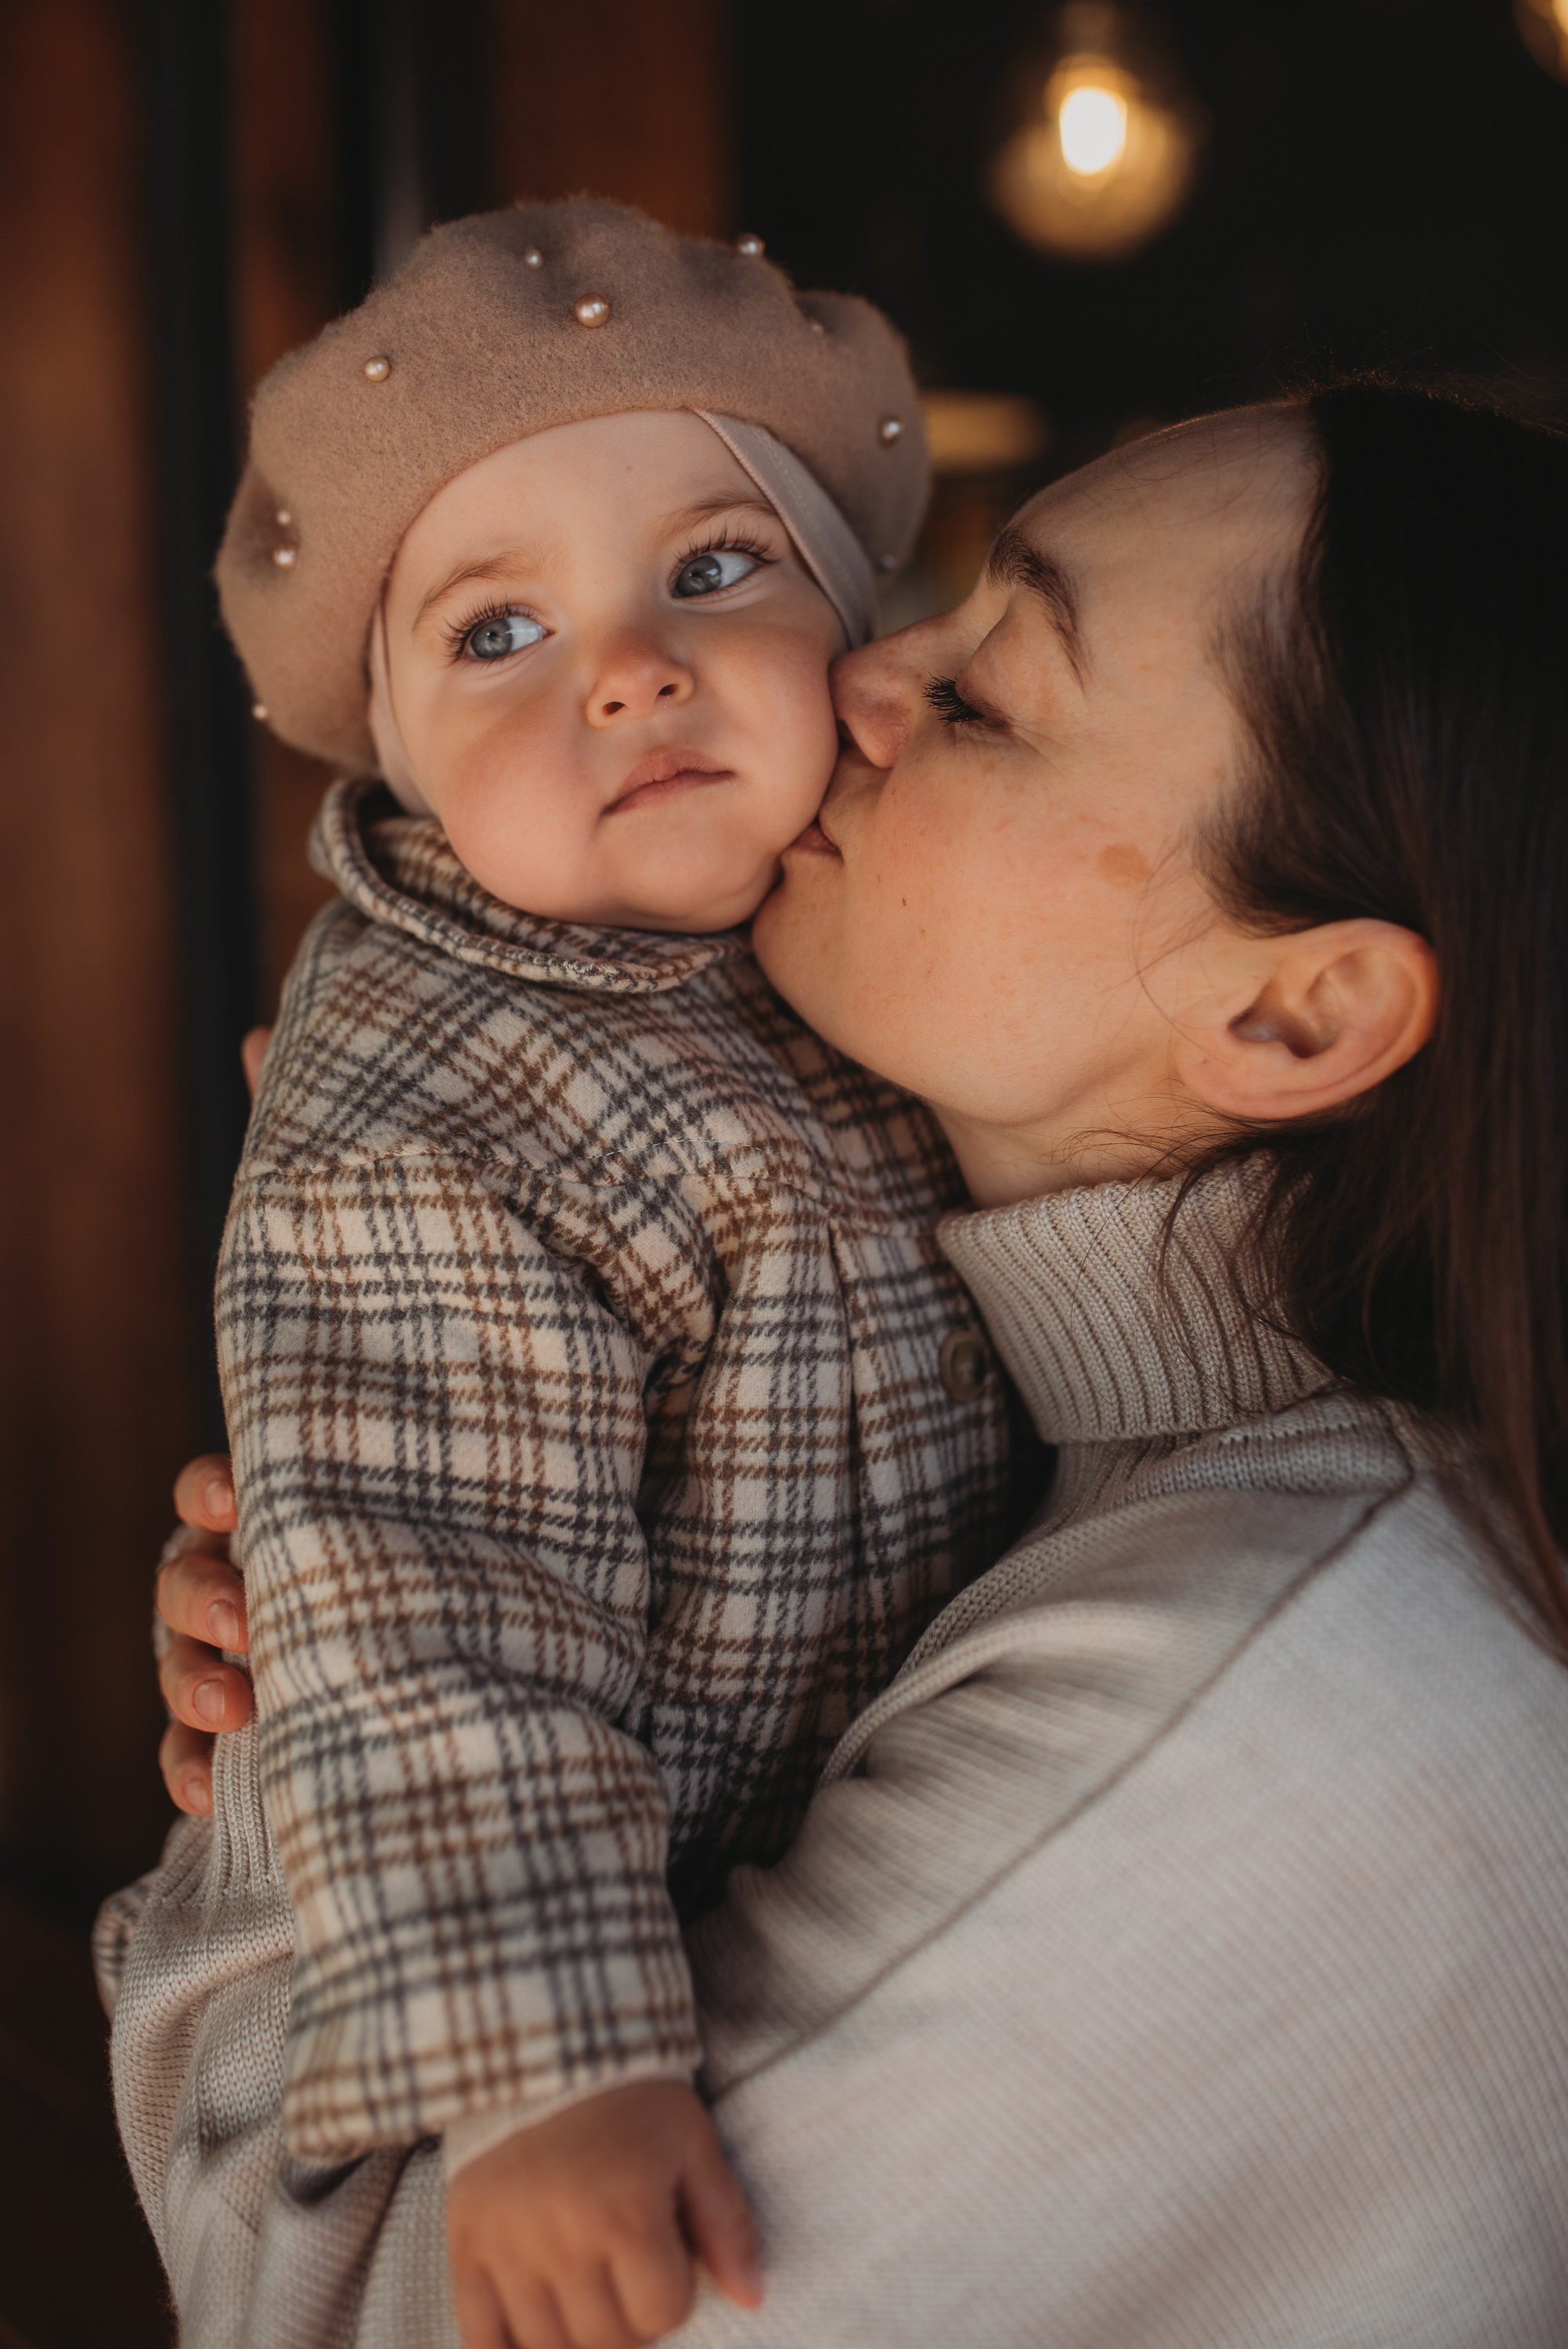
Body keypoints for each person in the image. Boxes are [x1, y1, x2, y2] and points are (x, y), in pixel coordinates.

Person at [151, 378, 1568, 2347]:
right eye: (941, 599)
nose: (869, 670)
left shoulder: (1253, 1698)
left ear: (1299, 1013)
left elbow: (330, 2305)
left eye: (988, 696)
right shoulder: (1047, 1415)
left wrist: (295, 1766)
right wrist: (402, 1470)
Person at [96, 199, 1024, 2349]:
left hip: (782, 1842)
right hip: (474, 1968)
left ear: (860, 627)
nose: (626, 662)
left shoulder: (856, 953)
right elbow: (425, 1591)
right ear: (394, 768)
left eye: (716, 569)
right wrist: (538, 2069)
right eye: (493, 634)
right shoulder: (422, 1109)